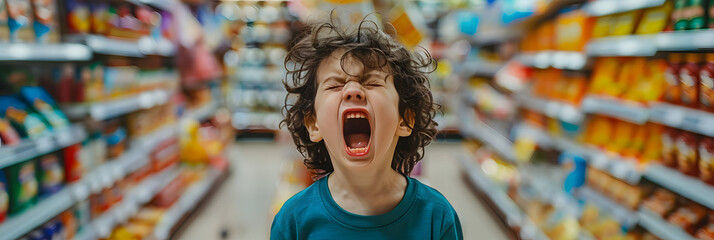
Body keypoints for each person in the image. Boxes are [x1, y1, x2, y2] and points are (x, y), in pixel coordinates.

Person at [271, 16, 463, 240]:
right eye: (335, 84)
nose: (353, 90)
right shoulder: (293, 221)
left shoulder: (436, 217)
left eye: (371, 82)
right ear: (314, 125)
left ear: (404, 120)